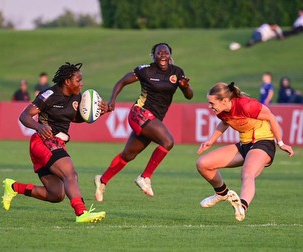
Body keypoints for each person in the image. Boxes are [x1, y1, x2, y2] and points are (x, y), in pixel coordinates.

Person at [2, 62, 107, 223]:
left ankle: (14, 187)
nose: (82, 83)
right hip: (44, 141)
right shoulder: (49, 95)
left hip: (55, 144)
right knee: (70, 174)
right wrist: (38, 126)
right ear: (67, 81)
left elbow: (74, 117)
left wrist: (98, 112)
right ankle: (81, 213)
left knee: (56, 194)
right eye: (78, 80)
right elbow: (24, 116)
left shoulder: (77, 96)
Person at [94, 43, 193, 202]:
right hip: (139, 113)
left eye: (165, 52)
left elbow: (189, 95)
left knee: (128, 155)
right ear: (153, 55)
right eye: (158, 52)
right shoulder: (145, 70)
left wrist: (186, 86)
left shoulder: (177, 72)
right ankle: (145, 177)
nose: (162, 55)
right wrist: (112, 100)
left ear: (170, 55)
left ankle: (102, 180)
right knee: (168, 141)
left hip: (153, 120)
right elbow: (122, 82)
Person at [196, 82, 294, 221]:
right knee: (203, 164)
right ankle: (221, 193)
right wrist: (210, 141)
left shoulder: (246, 105)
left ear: (224, 100)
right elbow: (225, 122)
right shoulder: (222, 111)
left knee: (247, 173)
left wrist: (281, 143)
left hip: (263, 142)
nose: (209, 106)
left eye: (212, 103)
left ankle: (241, 207)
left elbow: (271, 117)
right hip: (244, 145)